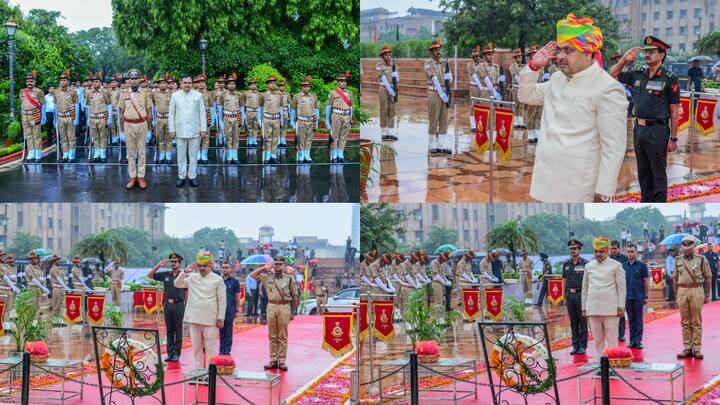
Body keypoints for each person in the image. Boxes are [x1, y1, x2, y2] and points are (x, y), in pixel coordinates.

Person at [519, 14, 628, 202]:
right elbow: (525, 96)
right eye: (559, 50)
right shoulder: (556, 79)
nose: (560, 56)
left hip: (578, 188)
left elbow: (613, 148)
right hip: (545, 181)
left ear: (588, 52)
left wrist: (602, 195)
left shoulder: (608, 88)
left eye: (568, 50)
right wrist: (533, 66)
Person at [610, 37, 680, 202]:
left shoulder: (669, 78)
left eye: (652, 51)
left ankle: (659, 202)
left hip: (658, 130)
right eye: (646, 51)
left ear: (661, 55)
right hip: (639, 129)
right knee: (643, 170)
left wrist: (674, 138)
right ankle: (646, 200)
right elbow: (613, 74)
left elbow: (674, 110)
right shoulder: (638, 74)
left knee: (658, 171)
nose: (647, 54)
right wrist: (624, 60)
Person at [175, 251, 226, 369]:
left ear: (211, 265)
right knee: (196, 349)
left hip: (211, 320)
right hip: (194, 318)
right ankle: (198, 372)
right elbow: (177, 284)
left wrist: (220, 318)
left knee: (210, 349)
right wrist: (184, 272)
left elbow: (222, 301)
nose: (202, 268)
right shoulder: (192, 278)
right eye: (200, 266)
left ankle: (210, 374)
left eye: (205, 266)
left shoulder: (218, 279)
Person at [249, 256, 299, 371]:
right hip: (271, 306)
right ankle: (273, 360)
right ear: (273, 265)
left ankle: (282, 361)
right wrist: (264, 268)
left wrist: (292, 312)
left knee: (282, 336)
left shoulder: (289, 279)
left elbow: (295, 296)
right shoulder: (267, 278)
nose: (277, 266)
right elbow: (252, 275)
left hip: (284, 306)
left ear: (284, 266)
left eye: (280, 264)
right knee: (272, 336)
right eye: (275, 264)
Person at [581, 237, 626, 357]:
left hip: (610, 309)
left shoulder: (616, 265)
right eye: (596, 251)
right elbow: (585, 288)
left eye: (601, 251)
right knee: (597, 341)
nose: (598, 254)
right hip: (593, 308)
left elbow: (621, 288)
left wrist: (621, 306)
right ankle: (600, 365)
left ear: (607, 251)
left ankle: (613, 365)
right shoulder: (588, 266)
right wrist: (584, 307)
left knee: (612, 340)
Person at [674, 236, 711, 359]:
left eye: (689, 248)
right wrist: (676, 296)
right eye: (685, 248)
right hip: (682, 290)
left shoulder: (701, 259)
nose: (687, 250)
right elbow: (675, 278)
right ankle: (687, 348)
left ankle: (697, 348)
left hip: (696, 289)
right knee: (685, 321)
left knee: (696, 321)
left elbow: (708, 277)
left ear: (694, 247)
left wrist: (706, 294)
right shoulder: (678, 260)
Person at [169, 74, 207, 188]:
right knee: (180, 155)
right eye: (185, 82)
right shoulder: (175, 96)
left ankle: (192, 176)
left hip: (195, 130)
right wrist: (172, 130)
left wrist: (203, 129)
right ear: (181, 83)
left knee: (193, 155)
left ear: (192, 84)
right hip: (179, 130)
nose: (187, 85)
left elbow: (202, 114)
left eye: (189, 83)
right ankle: (181, 176)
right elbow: (171, 114)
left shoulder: (198, 95)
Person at [148, 253, 187, 362]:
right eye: (172, 262)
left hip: (179, 305)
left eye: (175, 261)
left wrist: (187, 306)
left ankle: (177, 354)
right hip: (168, 305)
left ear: (180, 263)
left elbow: (186, 292)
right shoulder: (166, 274)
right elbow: (150, 275)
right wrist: (158, 265)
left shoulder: (183, 275)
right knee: (169, 330)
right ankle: (170, 353)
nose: (173, 263)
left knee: (178, 330)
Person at [119, 69, 153, 190]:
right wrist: (121, 130)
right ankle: (133, 176)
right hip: (128, 125)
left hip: (142, 124)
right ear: (128, 80)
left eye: (136, 78)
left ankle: (141, 176)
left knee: (142, 153)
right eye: (131, 78)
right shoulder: (123, 93)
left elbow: (149, 112)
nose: (133, 81)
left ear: (139, 80)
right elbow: (121, 112)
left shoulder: (145, 93)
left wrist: (150, 129)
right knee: (131, 153)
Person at [424, 38, 452, 154]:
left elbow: (450, 79)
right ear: (431, 52)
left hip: (445, 93)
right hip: (435, 93)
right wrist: (442, 93)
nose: (438, 51)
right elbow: (434, 79)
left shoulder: (445, 63)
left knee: (444, 119)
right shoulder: (428, 64)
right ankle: (432, 144)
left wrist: (450, 78)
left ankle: (441, 144)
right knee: (434, 119)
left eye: (439, 49)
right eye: (435, 50)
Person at [562, 239, 589, 354]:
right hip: (570, 296)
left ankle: (583, 345)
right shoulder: (566, 264)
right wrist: (564, 296)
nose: (572, 250)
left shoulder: (585, 264)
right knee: (573, 321)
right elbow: (564, 280)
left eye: (575, 248)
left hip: (581, 295)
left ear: (579, 250)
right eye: (571, 249)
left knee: (582, 321)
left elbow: (589, 281)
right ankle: (575, 345)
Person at [621, 245, 649, 349]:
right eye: (628, 252)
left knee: (638, 319)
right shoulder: (623, 266)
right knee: (631, 319)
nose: (630, 253)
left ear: (636, 252)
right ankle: (632, 340)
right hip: (627, 297)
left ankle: (638, 341)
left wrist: (646, 296)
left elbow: (645, 281)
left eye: (632, 251)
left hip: (639, 296)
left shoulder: (642, 266)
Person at [290, 76, 320, 163]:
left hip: (310, 121)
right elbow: (293, 110)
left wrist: (316, 122)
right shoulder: (297, 96)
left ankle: (307, 156)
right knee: (301, 139)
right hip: (301, 121)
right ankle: (300, 156)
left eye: (308, 86)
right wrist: (292, 121)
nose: (306, 88)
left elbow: (316, 109)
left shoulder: (313, 96)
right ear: (301, 87)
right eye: (304, 86)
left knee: (309, 139)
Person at [326, 72, 353, 162]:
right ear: (338, 83)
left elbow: (351, 107)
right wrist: (326, 120)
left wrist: (350, 119)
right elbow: (328, 107)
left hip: (346, 116)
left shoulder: (350, 93)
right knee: (335, 136)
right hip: (336, 115)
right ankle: (334, 156)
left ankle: (340, 156)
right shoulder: (333, 93)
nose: (343, 83)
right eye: (341, 81)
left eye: (345, 81)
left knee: (343, 137)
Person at [53, 71, 80, 163]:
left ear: (68, 81)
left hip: (70, 116)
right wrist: (55, 118)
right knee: (63, 137)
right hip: (60, 116)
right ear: (59, 82)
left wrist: (76, 118)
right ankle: (65, 155)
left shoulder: (73, 92)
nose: (63, 82)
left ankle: (71, 156)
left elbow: (76, 105)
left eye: (65, 80)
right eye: (61, 80)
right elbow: (55, 106)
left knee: (71, 137)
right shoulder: (56, 92)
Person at [85, 74, 112, 163]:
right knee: (95, 137)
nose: (95, 83)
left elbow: (109, 105)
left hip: (102, 117)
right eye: (94, 82)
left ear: (100, 82)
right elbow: (88, 106)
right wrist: (88, 118)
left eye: (97, 81)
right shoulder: (89, 93)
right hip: (93, 117)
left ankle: (103, 154)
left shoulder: (105, 92)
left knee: (103, 136)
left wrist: (109, 118)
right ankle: (97, 154)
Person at [20, 72, 46, 163]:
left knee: (36, 135)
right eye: (28, 81)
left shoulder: (39, 91)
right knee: (29, 136)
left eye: (31, 81)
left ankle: (38, 155)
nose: (29, 83)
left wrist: (43, 117)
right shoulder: (22, 92)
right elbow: (22, 103)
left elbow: (43, 104)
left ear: (34, 82)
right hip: (25, 116)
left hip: (35, 115)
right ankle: (31, 154)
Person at [218, 74, 242, 164]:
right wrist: (220, 120)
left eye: (233, 83)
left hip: (236, 117)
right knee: (228, 137)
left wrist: (241, 119)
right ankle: (229, 157)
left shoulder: (239, 95)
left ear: (235, 85)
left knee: (236, 137)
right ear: (227, 85)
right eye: (230, 84)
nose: (232, 85)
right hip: (227, 118)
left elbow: (242, 107)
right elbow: (220, 108)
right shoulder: (222, 95)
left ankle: (235, 157)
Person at [376, 44, 398, 140]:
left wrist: (396, 77)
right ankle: (384, 132)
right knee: (384, 109)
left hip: (393, 89)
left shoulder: (394, 66)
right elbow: (383, 78)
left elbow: (397, 79)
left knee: (392, 110)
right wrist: (390, 90)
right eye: (385, 55)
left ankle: (390, 132)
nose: (388, 56)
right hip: (384, 89)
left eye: (389, 55)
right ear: (382, 57)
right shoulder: (379, 66)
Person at [219, 261, 240, 355]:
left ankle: (227, 350)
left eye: (227, 267)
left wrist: (236, 309)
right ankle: (221, 349)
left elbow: (237, 296)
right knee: (221, 330)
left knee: (228, 330)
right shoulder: (218, 280)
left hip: (230, 309)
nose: (225, 269)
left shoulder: (234, 281)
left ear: (230, 269)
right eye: (223, 267)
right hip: (219, 310)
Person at [152, 76, 173, 164]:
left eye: (163, 83)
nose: (162, 84)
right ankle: (161, 155)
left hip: (168, 117)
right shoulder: (154, 94)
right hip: (159, 118)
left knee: (168, 138)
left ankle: (168, 156)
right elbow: (153, 106)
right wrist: (153, 119)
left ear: (166, 84)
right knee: (160, 137)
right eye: (160, 83)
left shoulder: (171, 94)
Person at [467, 46, 485, 132]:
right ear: (473, 58)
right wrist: (481, 87)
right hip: (474, 87)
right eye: (476, 57)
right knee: (473, 105)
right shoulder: (470, 65)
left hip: (481, 87)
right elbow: (474, 76)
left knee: (480, 105)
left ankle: (479, 123)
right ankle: (473, 125)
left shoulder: (482, 65)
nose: (478, 58)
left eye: (478, 56)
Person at [508, 48, 526, 128]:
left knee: (521, 104)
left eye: (521, 57)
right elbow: (515, 76)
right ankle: (515, 122)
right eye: (518, 57)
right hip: (516, 87)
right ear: (515, 58)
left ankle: (521, 121)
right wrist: (523, 84)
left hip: (522, 87)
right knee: (516, 105)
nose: (520, 58)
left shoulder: (524, 66)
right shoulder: (512, 66)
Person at [242, 78, 261, 148]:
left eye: (254, 84)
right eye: (252, 84)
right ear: (249, 86)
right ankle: (249, 140)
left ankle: (254, 140)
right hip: (249, 111)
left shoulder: (259, 94)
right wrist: (243, 114)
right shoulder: (245, 93)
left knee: (255, 126)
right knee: (248, 126)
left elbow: (260, 104)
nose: (253, 86)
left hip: (256, 111)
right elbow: (243, 103)